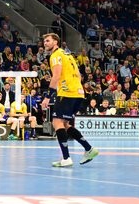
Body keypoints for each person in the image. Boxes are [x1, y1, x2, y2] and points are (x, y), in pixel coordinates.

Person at [40, 33, 98, 167]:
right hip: (78, 92)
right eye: (44, 41)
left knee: (57, 123)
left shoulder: (55, 56)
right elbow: (78, 75)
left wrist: (48, 96)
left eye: (48, 41)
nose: (45, 43)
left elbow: (56, 76)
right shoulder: (68, 55)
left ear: (56, 42)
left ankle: (66, 158)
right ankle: (89, 149)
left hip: (67, 93)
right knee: (65, 124)